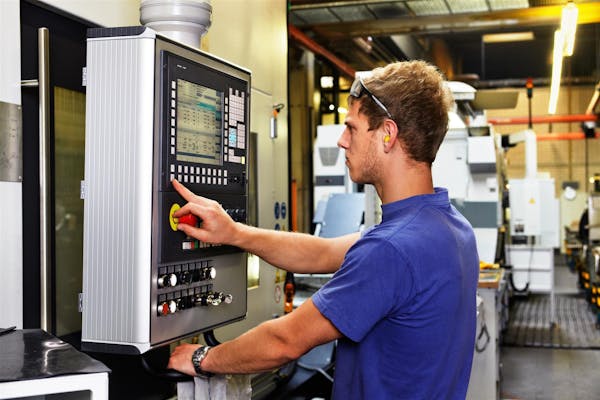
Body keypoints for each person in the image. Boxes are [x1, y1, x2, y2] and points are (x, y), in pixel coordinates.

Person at [168, 60, 479, 399]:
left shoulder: (391, 250)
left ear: (388, 134)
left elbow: (285, 341)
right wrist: (234, 233)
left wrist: (202, 358)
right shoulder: (450, 228)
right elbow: (321, 252)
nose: (343, 141)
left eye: (352, 128)